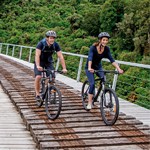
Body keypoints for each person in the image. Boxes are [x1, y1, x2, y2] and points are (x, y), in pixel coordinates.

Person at [85, 32, 123, 110]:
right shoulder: (93, 48)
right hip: (89, 66)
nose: (105, 42)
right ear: (100, 40)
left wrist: (118, 69)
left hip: (98, 66)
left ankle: (100, 93)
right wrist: (89, 68)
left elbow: (112, 60)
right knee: (92, 84)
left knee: (103, 79)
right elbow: (90, 58)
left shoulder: (106, 49)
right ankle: (89, 103)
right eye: (104, 40)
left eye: (106, 40)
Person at [34, 30, 67, 101]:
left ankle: (48, 89)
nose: (52, 39)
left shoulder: (56, 45)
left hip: (48, 62)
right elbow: (37, 55)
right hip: (40, 61)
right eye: (51, 38)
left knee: (52, 78)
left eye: (53, 38)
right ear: (47, 38)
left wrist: (64, 68)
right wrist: (38, 66)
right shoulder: (41, 44)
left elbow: (60, 56)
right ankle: (37, 94)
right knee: (38, 76)